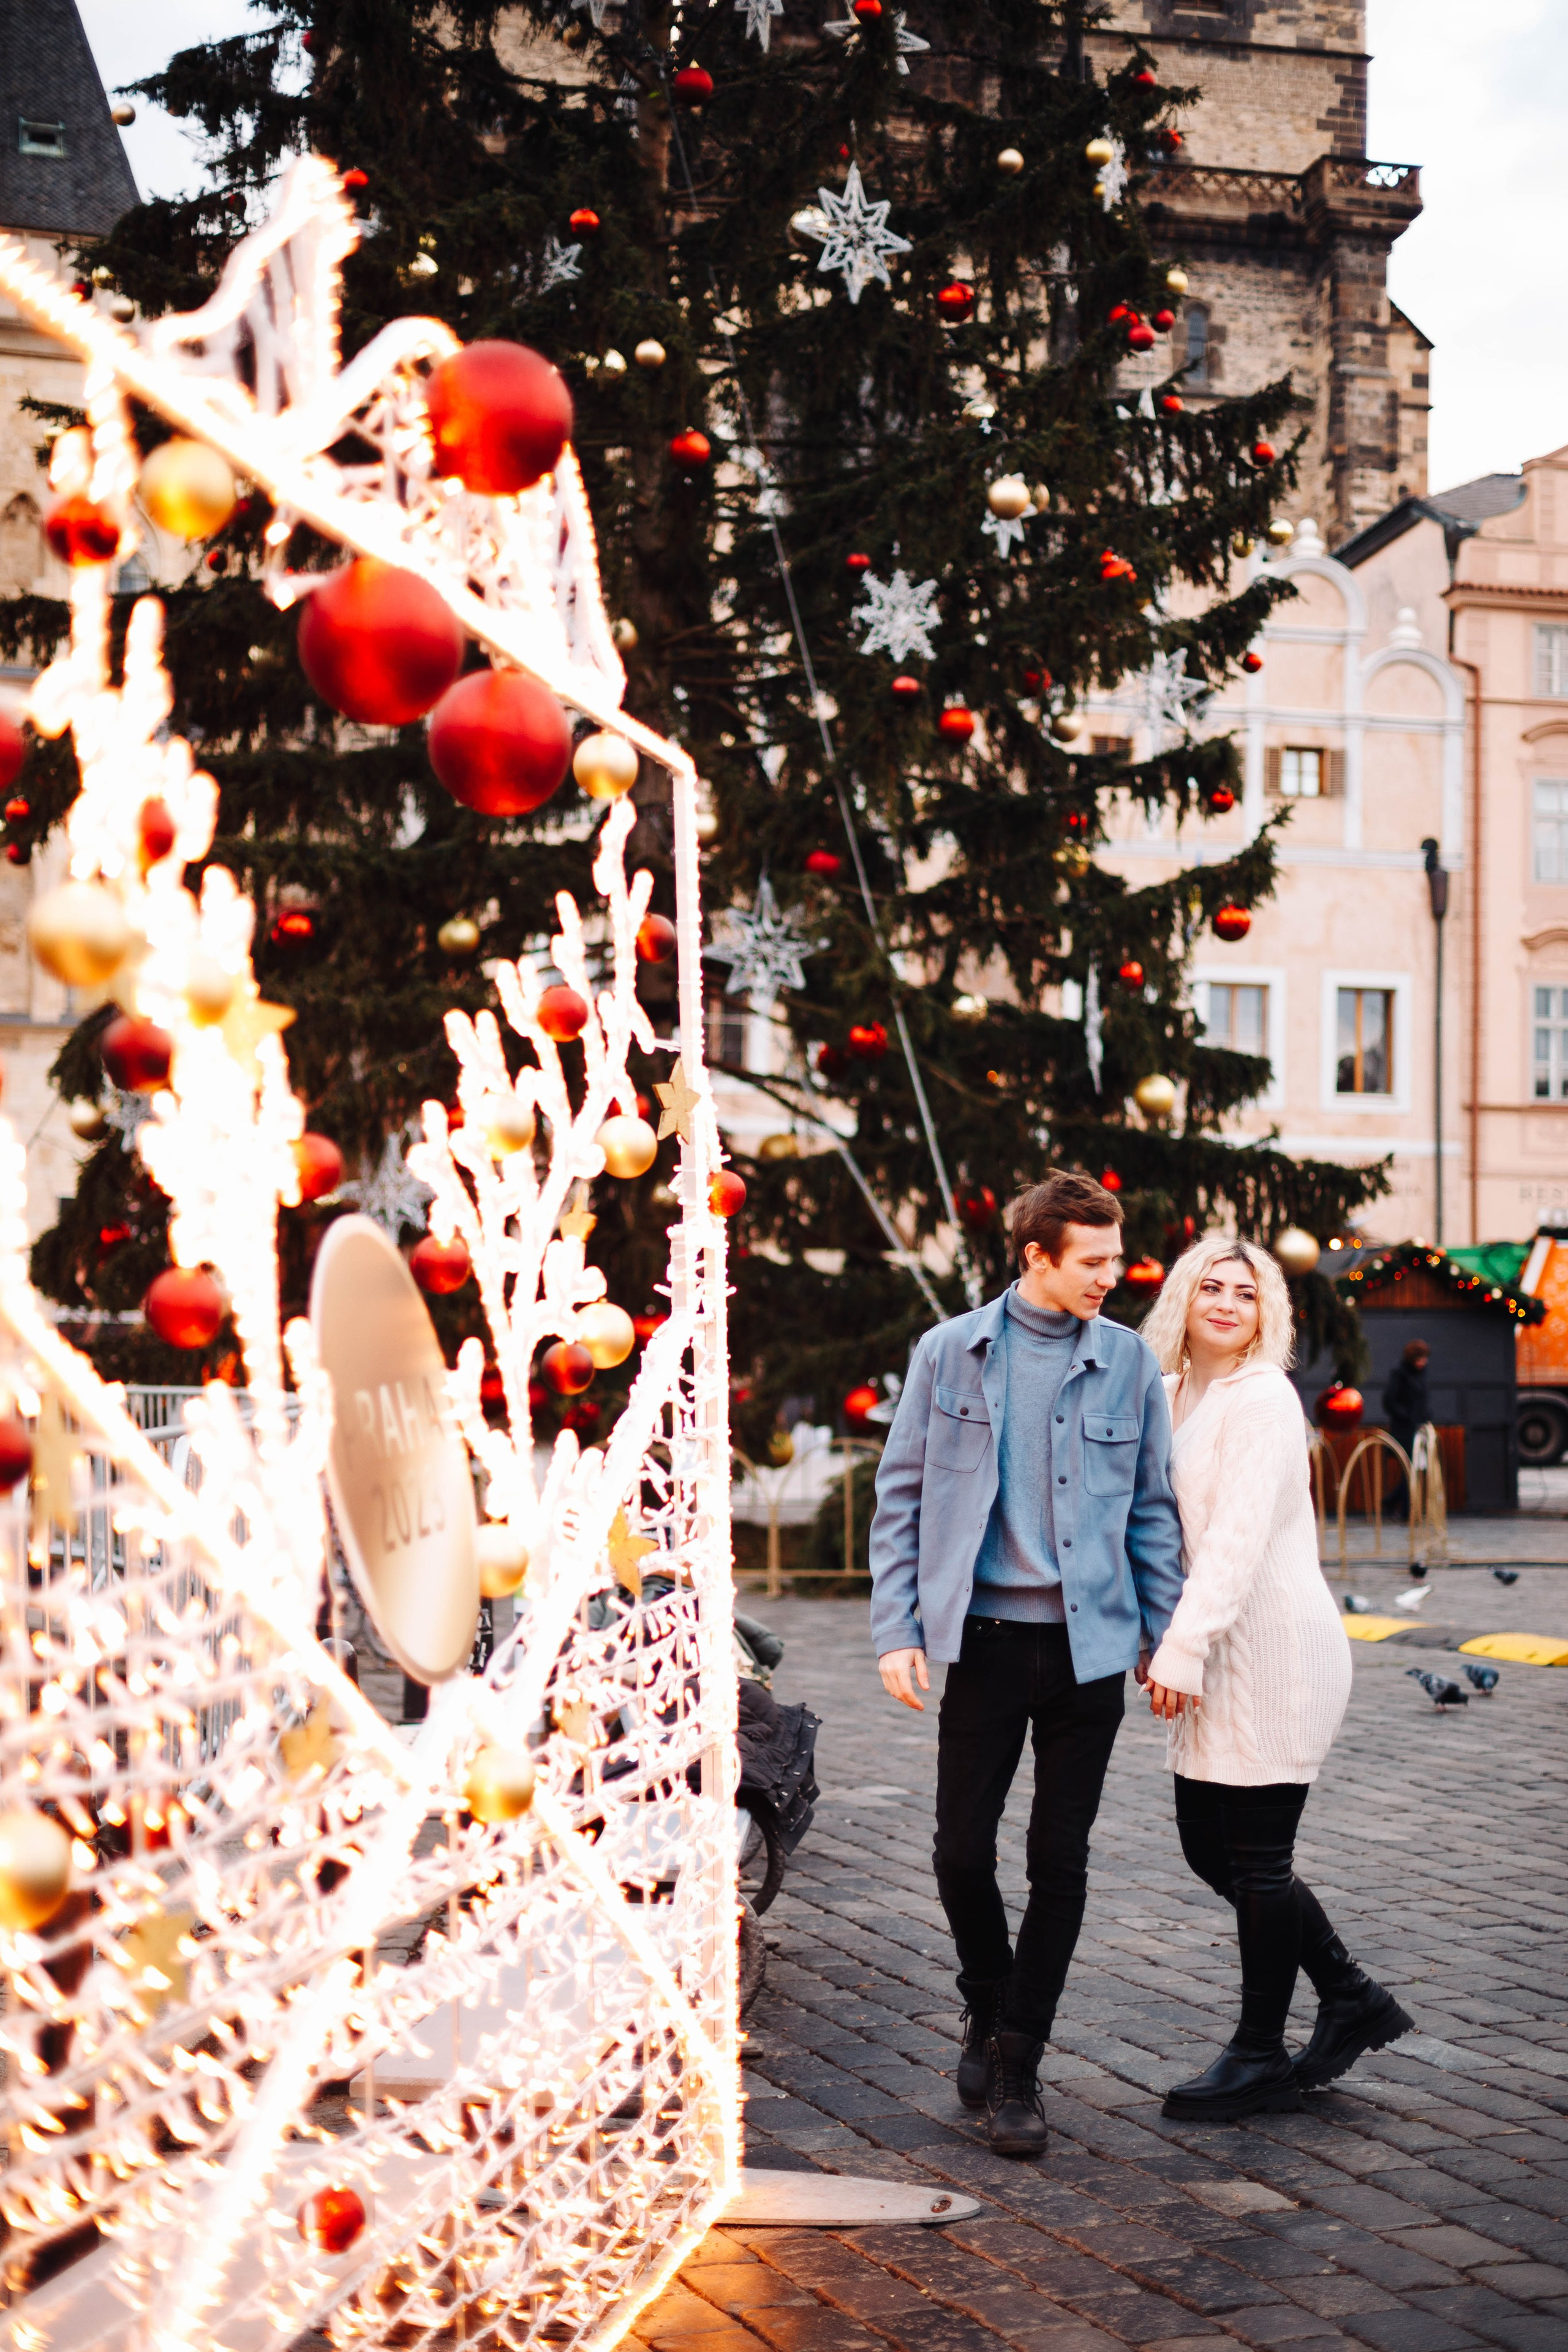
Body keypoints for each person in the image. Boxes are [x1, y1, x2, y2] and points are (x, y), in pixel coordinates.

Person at [869, 1170, 1184, 2158]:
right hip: (990, 1646)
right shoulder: (949, 1353)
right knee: (960, 1851)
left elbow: (1152, 1510)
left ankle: (1018, 2061)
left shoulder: (1130, 1364)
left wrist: (1164, 1638)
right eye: (1093, 1262)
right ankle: (986, 1995)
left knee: (1060, 1860)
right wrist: (897, 1628)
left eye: (1117, 1257)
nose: (1114, 1276)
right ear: (1036, 1256)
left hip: (1090, 1651)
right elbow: (904, 1496)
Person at [1140, 1235, 1414, 2122]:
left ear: (1267, 1315)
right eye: (1210, 1286)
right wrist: (1168, 1635)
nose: (1225, 1302)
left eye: (1245, 1293)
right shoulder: (1173, 1392)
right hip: (1214, 1645)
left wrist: (1181, 1646)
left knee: (1257, 1861)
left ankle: (1259, 2053)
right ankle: (1349, 1992)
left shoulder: (1261, 1399)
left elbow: (1234, 1540)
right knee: (1205, 1848)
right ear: (1183, 1297)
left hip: (1276, 1648)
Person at [1381, 1340, 1431, 1518]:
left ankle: (1394, 1502)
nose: (1422, 1362)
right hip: (1404, 1430)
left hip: (1418, 1429)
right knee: (1410, 1469)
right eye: (1419, 1359)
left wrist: (1426, 1416)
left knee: (1416, 1469)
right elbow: (1389, 1401)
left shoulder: (1421, 1375)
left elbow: (1422, 1400)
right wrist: (1406, 1415)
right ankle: (1405, 1510)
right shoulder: (1400, 1374)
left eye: (1424, 1359)